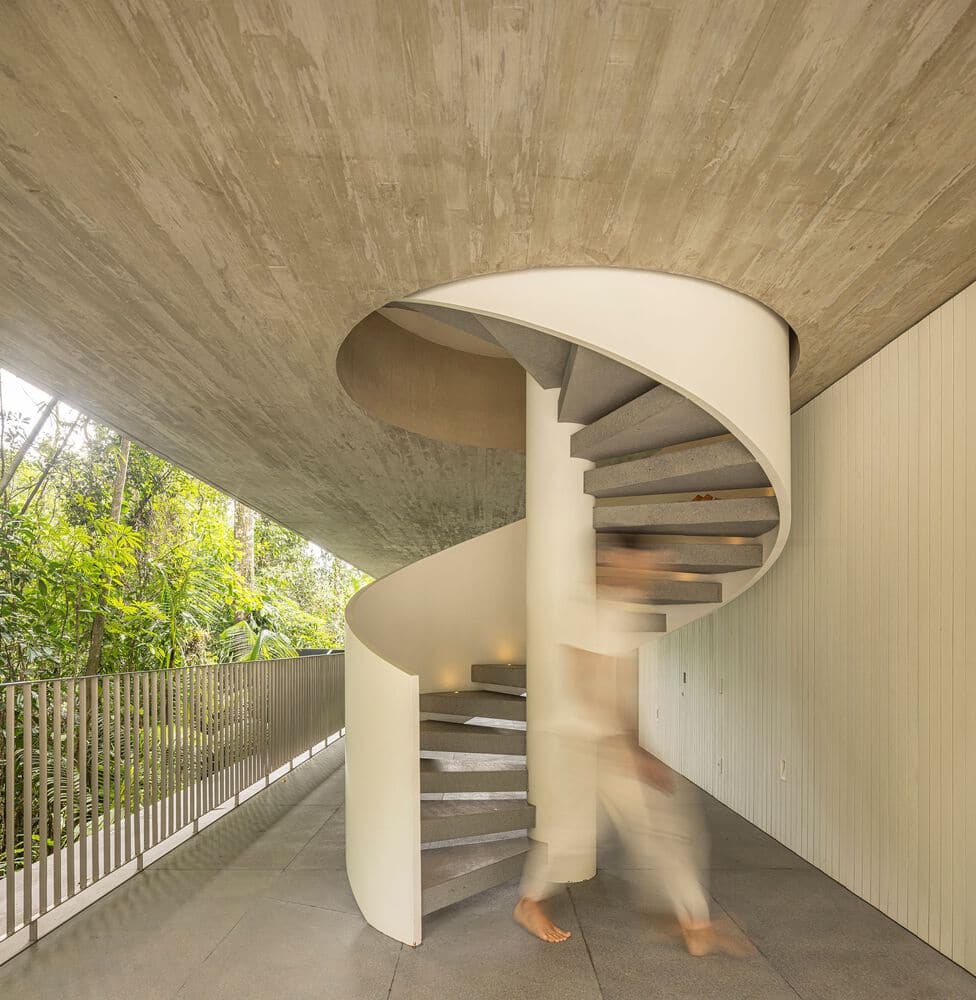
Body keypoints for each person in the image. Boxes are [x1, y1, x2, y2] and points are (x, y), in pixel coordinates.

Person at [513, 535, 742, 956]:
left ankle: (696, 923)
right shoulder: (588, 609)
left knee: (654, 828)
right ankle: (530, 903)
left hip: (608, 742)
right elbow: (589, 682)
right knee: (593, 832)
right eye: (646, 563)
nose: (652, 573)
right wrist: (631, 749)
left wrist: (633, 743)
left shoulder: (622, 608)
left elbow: (619, 686)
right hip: (587, 742)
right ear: (617, 558)